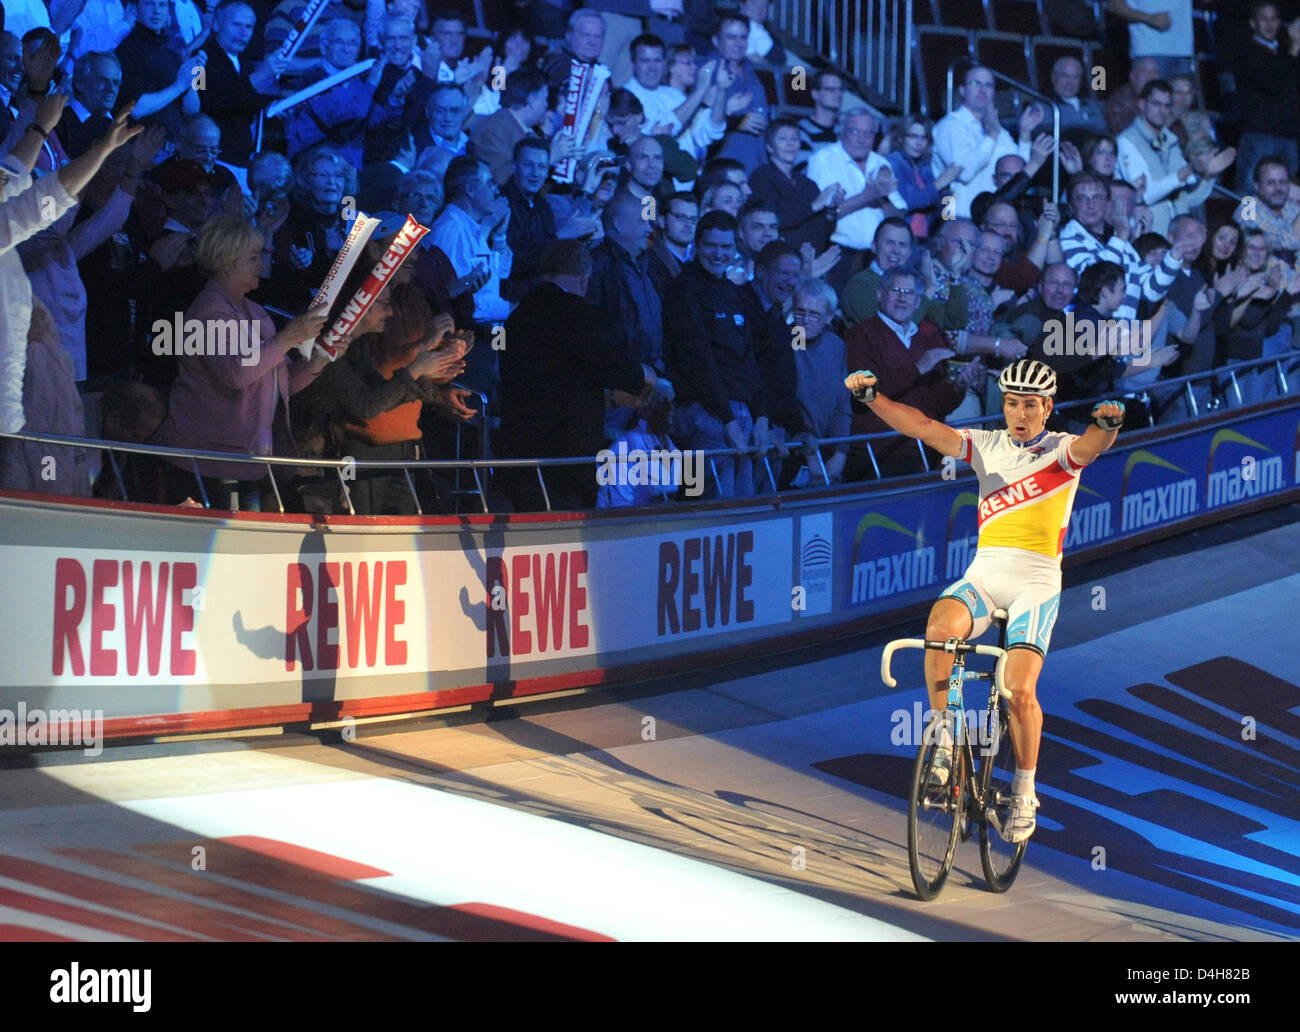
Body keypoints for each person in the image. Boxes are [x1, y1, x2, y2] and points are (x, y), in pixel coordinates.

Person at [844, 358, 1126, 842]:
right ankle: (945, 743)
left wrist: (1107, 425)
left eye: (1030, 405)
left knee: (1018, 690)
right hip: (986, 574)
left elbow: (1093, 445)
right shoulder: (986, 444)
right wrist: (873, 399)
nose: (1020, 413)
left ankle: (1023, 791)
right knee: (939, 629)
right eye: (1012, 403)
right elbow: (925, 428)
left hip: (1036, 585)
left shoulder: (1062, 451)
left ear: (1047, 408)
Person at [152, 214, 339, 509]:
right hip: (206, 462)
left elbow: (279, 383)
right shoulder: (208, 310)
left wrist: (320, 359)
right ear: (227, 262)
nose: (262, 266)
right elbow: (235, 374)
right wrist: (288, 338)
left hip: (243, 460)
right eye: (254, 257)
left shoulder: (253, 311)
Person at [497, 240, 654, 511]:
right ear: (584, 277)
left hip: (520, 446)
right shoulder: (576, 312)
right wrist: (644, 376)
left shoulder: (518, 314)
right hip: (566, 450)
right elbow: (608, 364)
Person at [661, 210, 772, 498]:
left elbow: (750, 358)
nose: (718, 254)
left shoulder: (735, 293)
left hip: (739, 414)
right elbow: (697, 360)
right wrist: (728, 420)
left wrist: (760, 416)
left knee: (743, 510)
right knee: (705, 508)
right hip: (703, 415)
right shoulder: (683, 290)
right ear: (697, 245)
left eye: (726, 247)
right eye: (711, 245)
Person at [843, 267, 984, 478]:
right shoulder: (860, 335)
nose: (902, 298)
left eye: (909, 293)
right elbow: (864, 394)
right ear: (880, 295)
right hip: (880, 454)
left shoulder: (924, 339)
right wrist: (917, 368)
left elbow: (936, 405)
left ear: (918, 302)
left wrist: (959, 387)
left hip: (925, 452)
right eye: (895, 290)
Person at [1116, 79, 1233, 235]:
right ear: (1142, 104)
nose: (1162, 111)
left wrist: (1208, 175)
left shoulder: (1171, 142)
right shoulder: (1127, 140)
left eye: (1167, 105)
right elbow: (1146, 195)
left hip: (1176, 238)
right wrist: (1189, 170)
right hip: (1147, 237)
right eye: (1156, 104)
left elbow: (1189, 200)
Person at [932, 63, 1035, 219]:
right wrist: (992, 135)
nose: (982, 89)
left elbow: (1018, 172)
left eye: (988, 85)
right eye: (975, 83)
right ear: (962, 90)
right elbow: (964, 172)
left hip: (992, 217)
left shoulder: (995, 128)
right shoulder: (950, 126)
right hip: (957, 216)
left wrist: (1025, 134)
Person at [1232, 3, 1300, 190]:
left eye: (1273, 19)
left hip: (1288, 135)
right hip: (1259, 135)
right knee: (1249, 189)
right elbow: (1273, 82)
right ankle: (1244, 220)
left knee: (1287, 192)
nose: (1269, 25)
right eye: (1264, 19)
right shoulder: (1247, 51)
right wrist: (1294, 48)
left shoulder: (1284, 53)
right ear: (1253, 23)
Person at [885, 114, 960, 239]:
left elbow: (943, 211)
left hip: (924, 237)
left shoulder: (924, 167)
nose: (918, 143)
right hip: (899, 238)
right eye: (913, 136)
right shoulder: (892, 162)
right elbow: (908, 202)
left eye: (924, 138)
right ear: (901, 138)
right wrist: (938, 184)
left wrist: (948, 193)